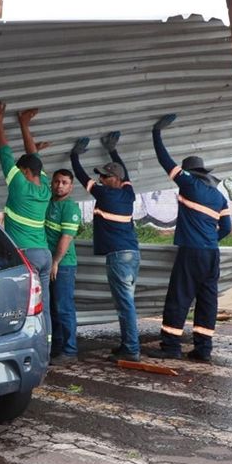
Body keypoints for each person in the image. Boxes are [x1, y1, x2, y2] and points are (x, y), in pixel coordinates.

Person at [148, 114, 232, 362]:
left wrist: (156, 133)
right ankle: (203, 349)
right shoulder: (219, 196)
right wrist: (209, 240)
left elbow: (166, 161)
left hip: (191, 252)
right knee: (207, 299)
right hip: (211, 254)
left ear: (190, 172)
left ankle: (171, 346)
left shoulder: (189, 185)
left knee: (180, 296)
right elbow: (226, 227)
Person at [70, 131, 141, 360]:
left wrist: (74, 157)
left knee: (125, 305)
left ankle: (131, 349)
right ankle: (127, 345)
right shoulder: (128, 193)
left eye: (104, 176)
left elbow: (82, 178)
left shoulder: (104, 195)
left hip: (119, 257)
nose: (100, 179)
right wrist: (112, 150)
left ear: (114, 180)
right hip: (131, 254)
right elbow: (125, 172)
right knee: (125, 303)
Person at [0, 102, 53, 347]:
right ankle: (46, 345)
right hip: (44, 254)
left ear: (24, 172)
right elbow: (34, 158)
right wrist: (24, 125)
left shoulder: (19, 185)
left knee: (18, 303)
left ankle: (18, 344)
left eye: (19, 169)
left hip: (26, 254)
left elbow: (4, 152)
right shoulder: (44, 188)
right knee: (43, 303)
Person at [45, 168, 81, 364]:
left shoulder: (70, 208)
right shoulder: (49, 203)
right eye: (57, 181)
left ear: (71, 186)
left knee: (64, 307)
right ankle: (57, 348)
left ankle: (70, 350)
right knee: (52, 308)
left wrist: (56, 261)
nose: (60, 185)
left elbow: (66, 238)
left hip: (63, 264)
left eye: (64, 182)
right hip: (49, 263)